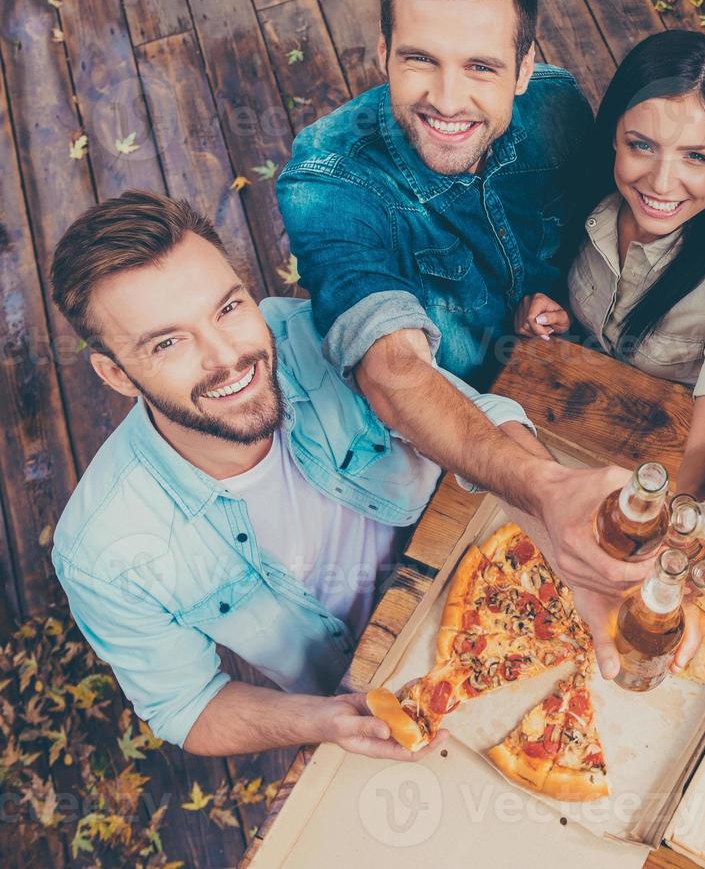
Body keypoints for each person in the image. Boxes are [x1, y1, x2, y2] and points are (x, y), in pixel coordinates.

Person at [274, 0, 648, 673]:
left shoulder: (559, 108)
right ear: (382, 54)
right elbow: (392, 370)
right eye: (418, 60)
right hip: (442, 449)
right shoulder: (325, 180)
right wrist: (543, 487)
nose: (447, 100)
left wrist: (552, 291)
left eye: (480, 67)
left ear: (522, 66)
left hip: (581, 390)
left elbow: (599, 224)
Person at [47, 192, 539, 756]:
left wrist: (549, 496)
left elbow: (483, 418)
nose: (227, 357)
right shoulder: (101, 554)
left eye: (228, 309)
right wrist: (325, 721)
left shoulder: (316, 333)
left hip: (497, 578)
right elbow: (187, 706)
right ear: (116, 375)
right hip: (370, 686)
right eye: (168, 343)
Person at [513, 31, 705, 499]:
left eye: (696, 156)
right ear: (614, 134)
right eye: (642, 146)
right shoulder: (585, 185)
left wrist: (677, 518)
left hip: (665, 441)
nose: (661, 182)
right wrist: (557, 315)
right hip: (575, 403)